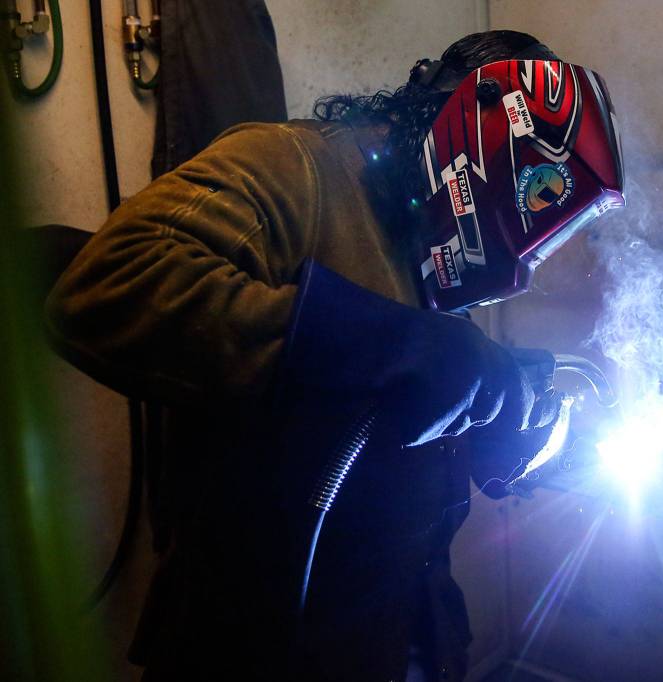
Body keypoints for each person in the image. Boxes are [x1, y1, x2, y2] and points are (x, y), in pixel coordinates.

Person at [45, 30, 624, 681]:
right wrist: (395, 351)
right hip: (256, 649)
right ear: (477, 125)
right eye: (535, 192)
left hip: (401, 643)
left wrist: (513, 424)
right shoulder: (293, 166)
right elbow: (107, 285)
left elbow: (408, 399)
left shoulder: (432, 239)